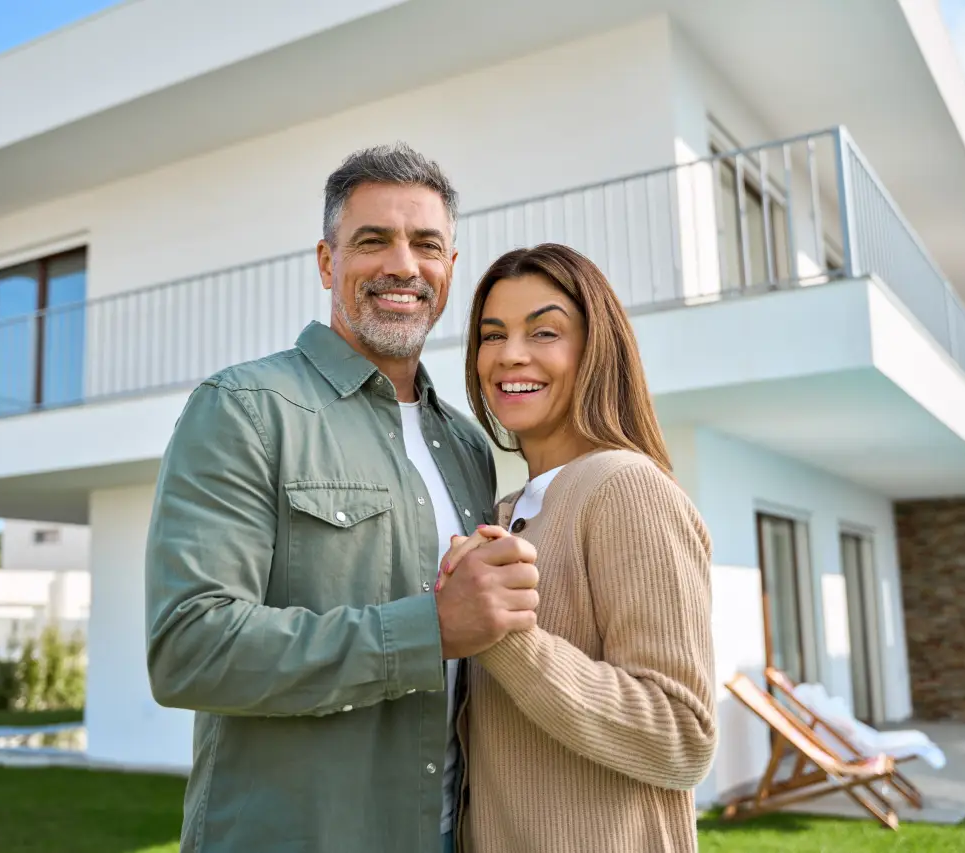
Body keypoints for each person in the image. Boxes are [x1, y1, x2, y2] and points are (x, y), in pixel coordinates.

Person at [144, 143, 540, 853]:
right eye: (372, 241)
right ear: (328, 262)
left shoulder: (470, 444)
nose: (402, 264)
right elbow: (189, 647)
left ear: (450, 267)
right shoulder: (245, 409)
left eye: (426, 244)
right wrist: (429, 629)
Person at [439, 244, 717, 853]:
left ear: (595, 349)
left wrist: (503, 635)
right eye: (492, 335)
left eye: (544, 331)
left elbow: (683, 736)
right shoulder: (508, 511)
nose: (510, 354)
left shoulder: (625, 486)